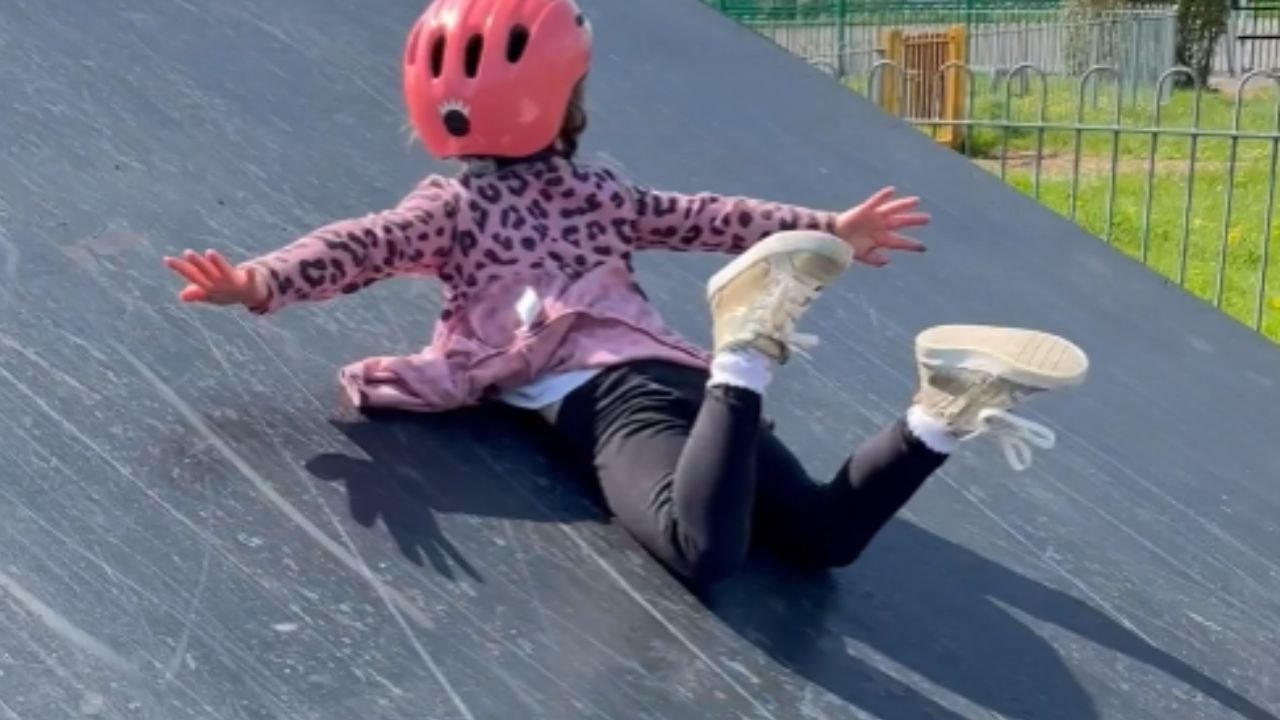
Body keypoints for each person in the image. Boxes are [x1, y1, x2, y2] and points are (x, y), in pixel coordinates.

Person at [162, 0, 1089, 587]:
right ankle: (943, 408)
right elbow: (707, 216)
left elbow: (362, 245)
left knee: (699, 551)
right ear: (566, 106)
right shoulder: (600, 188)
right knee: (819, 541)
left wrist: (258, 283)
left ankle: (748, 349)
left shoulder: (452, 206)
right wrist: (825, 229)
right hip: (678, 385)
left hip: (618, 402)